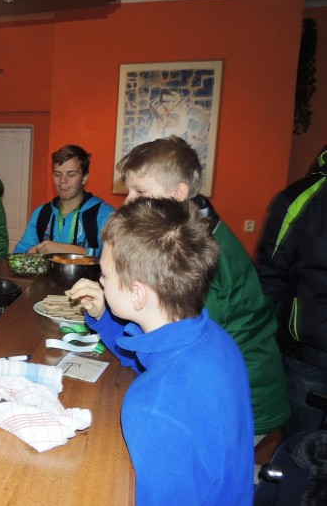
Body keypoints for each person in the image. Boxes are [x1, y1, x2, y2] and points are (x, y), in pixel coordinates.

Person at [68, 197, 254, 504]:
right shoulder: (214, 338)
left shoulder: (152, 406)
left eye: (105, 275)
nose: (100, 281)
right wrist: (103, 317)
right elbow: (149, 357)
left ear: (137, 294)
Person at [116, 136, 290, 445]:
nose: (129, 200)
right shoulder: (192, 229)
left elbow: (192, 333)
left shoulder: (198, 251)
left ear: (178, 193)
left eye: (140, 191)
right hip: (227, 383)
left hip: (246, 393)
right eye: (129, 191)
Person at [258, 145, 327, 437]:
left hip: (307, 352)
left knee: (302, 446)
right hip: (309, 353)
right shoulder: (304, 197)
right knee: (303, 443)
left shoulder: (301, 196)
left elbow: (271, 275)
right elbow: (271, 276)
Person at [13, 144, 114, 255]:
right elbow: (19, 254)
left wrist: (62, 249)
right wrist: (30, 254)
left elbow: (115, 257)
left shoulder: (105, 214)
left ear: (84, 178)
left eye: (71, 175)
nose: (62, 181)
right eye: (57, 174)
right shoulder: (42, 213)